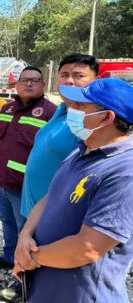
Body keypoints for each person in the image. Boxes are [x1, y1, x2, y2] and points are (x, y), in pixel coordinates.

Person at [14, 78, 133, 303]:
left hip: (81, 295)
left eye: (80, 106)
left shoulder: (125, 171)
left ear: (107, 117)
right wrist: (25, 235)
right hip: (47, 286)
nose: (71, 110)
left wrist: (28, 258)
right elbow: (51, 196)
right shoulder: (81, 151)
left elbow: (86, 249)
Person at [0, 66, 57, 269]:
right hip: (0, 181)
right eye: (24, 80)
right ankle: (9, 258)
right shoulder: (7, 108)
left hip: (25, 187)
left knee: (25, 230)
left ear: (43, 85)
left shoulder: (50, 113)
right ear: (16, 85)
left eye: (34, 80)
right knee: (7, 222)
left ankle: (25, 272)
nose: (29, 84)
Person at [20, 54, 98, 218]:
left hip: (52, 218)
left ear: (96, 80)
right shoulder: (62, 110)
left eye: (78, 75)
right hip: (31, 210)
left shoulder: (93, 120)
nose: (69, 81)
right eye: (64, 75)